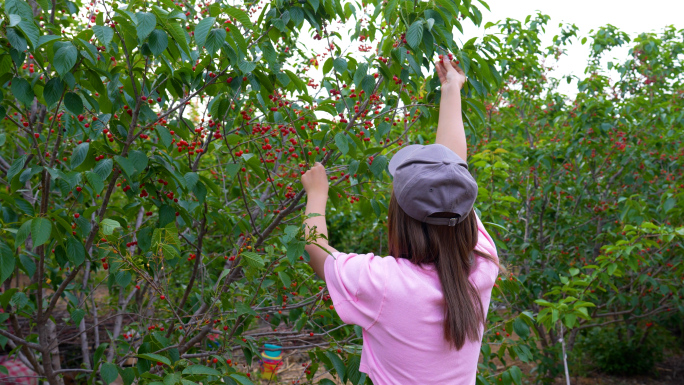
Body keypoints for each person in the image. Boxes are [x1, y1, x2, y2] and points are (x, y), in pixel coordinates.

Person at [300, 54, 502, 384]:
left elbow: (315, 250)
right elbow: (451, 170)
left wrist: (316, 194)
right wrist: (452, 90)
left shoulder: (386, 284)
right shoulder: (484, 263)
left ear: (400, 222)